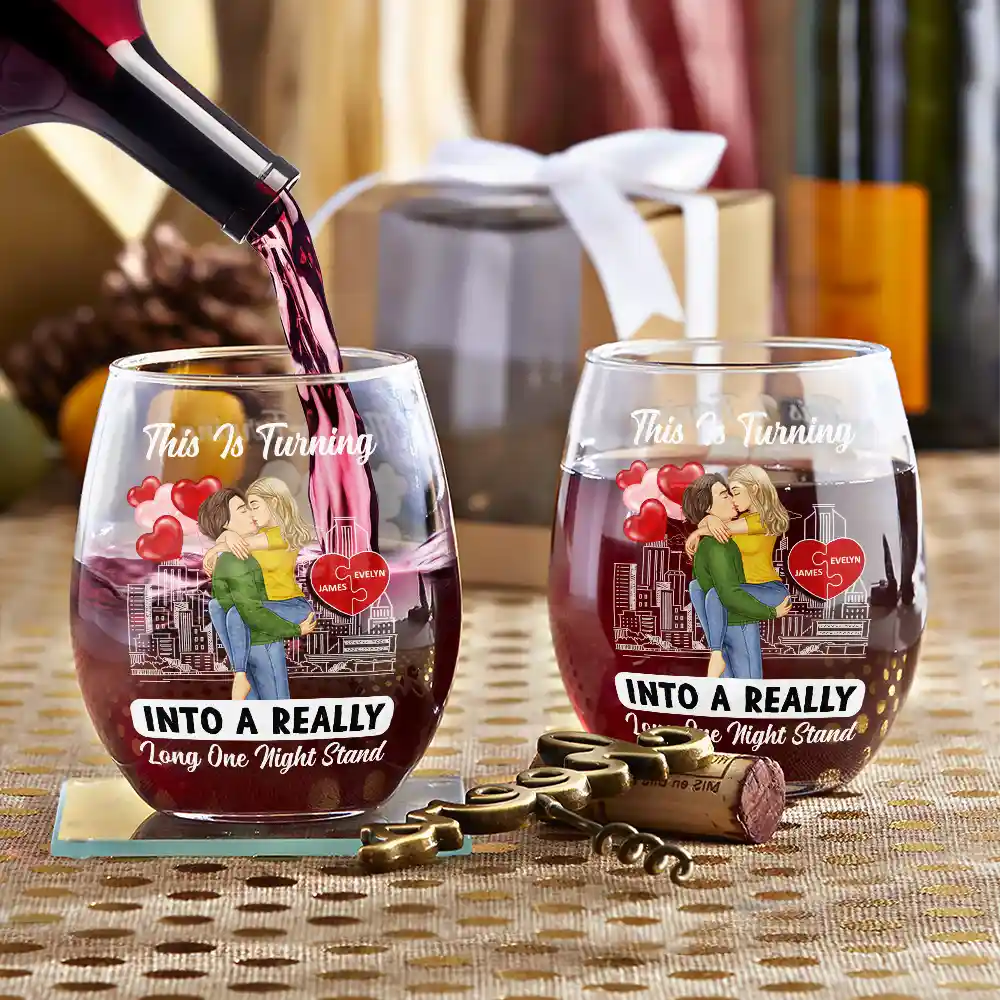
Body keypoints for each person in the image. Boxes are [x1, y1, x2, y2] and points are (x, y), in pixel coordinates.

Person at [199, 488, 316, 700]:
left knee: (231, 612)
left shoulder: (276, 535)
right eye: (244, 509)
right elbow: (242, 609)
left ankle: (240, 674)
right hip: (262, 624)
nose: (251, 513)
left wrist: (221, 542)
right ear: (225, 522)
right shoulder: (236, 558)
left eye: (253, 507)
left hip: (290, 608)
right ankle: (240, 674)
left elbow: (246, 543)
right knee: (219, 607)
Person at [685, 465, 792, 678]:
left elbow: (723, 528)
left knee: (716, 594)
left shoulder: (764, 519)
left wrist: (698, 531)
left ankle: (716, 655)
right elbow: (719, 524)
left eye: (735, 492)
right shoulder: (738, 520)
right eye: (729, 494)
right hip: (744, 588)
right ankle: (719, 654)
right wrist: (709, 520)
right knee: (697, 587)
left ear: (754, 489)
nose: (733, 499)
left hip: (768, 589)